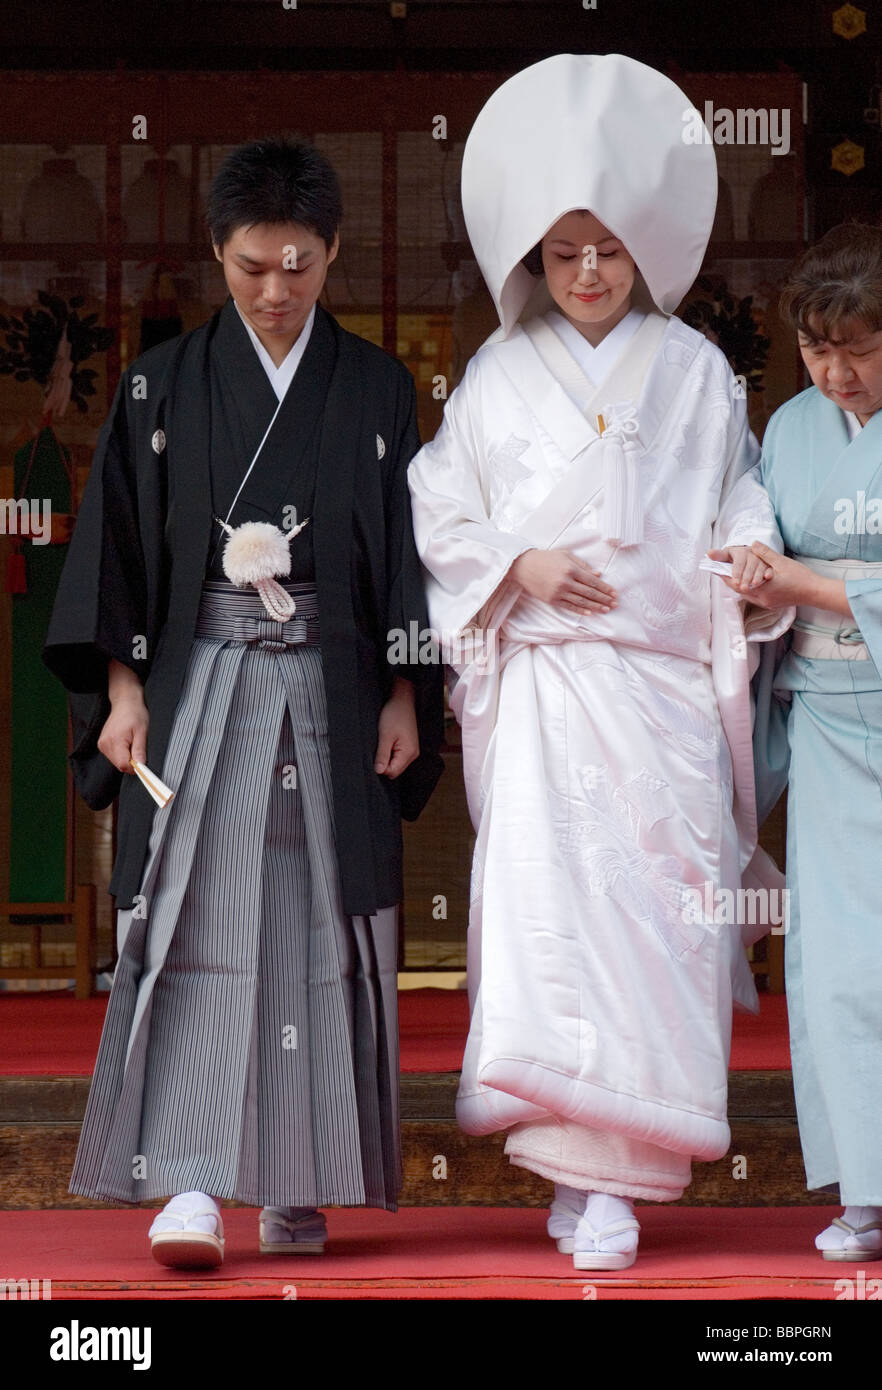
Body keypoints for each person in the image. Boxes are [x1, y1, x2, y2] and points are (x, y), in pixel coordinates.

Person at [407, 53, 793, 1272]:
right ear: (533, 256)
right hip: (546, 688)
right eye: (565, 251)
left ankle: (620, 1181)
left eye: (609, 251)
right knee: (548, 925)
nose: (586, 273)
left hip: (659, 688)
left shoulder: (691, 373)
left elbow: (740, 496)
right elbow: (440, 509)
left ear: (642, 254)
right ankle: (576, 1177)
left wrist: (745, 550)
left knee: (653, 922)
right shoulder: (492, 378)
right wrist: (514, 565)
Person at [43, 135, 444, 1267]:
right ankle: (188, 1183)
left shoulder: (374, 386)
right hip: (201, 682)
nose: (276, 292)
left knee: (319, 922)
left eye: (301, 266)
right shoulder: (159, 382)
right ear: (218, 252)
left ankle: (299, 1176)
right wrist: (121, 689)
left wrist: (409, 689)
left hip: (335, 680)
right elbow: (116, 547)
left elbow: (413, 556)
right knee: (194, 923)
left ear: (333, 257)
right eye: (254, 267)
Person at [745, 223, 882, 1261]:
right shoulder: (786, 430)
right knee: (839, 964)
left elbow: (803, 577)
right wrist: (757, 579)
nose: (835, 372)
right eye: (815, 346)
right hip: (829, 720)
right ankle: (866, 1190)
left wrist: (811, 584)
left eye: (861, 348)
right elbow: (755, 543)